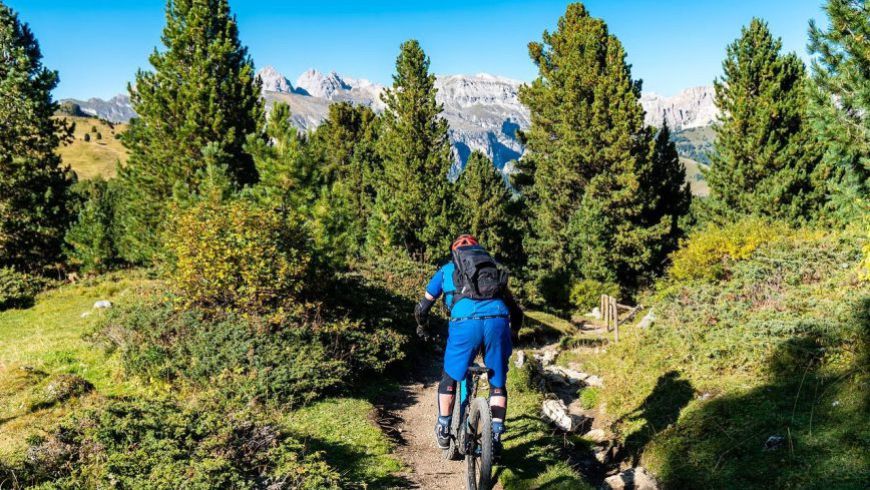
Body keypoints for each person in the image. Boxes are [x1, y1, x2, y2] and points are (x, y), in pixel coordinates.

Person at [414, 234, 523, 456]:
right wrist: (512, 332)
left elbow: (423, 307)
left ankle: (444, 426)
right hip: (498, 321)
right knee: (498, 383)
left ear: (456, 254)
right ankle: (495, 436)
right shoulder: (491, 271)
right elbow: (516, 312)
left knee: (450, 375)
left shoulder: (446, 270)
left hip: (464, 323)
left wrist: (423, 327)